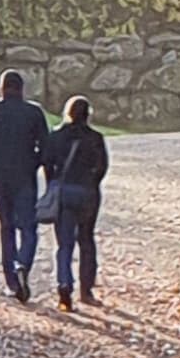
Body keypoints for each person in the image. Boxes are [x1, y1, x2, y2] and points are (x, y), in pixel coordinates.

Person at [0, 70, 50, 302]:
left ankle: (12, 281)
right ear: (22, 88)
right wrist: (34, 164)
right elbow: (45, 148)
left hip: (0, 175)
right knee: (28, 226)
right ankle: (23, 262)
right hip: (25, 174)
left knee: (6, 226)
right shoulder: (34, 113)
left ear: (1, 87)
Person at [43, 95, 109, 311]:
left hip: (64, 193)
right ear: (88, 115)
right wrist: (91, 184)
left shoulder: (56, 136)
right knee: (86, 240)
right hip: (87, 194)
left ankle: (64, 285)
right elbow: (101, 168)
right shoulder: (95, 138)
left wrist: (53, 185)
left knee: (64, 243)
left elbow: (47, 164)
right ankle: (86, 290)